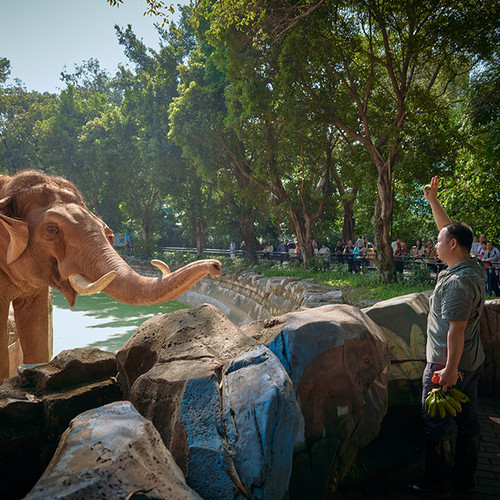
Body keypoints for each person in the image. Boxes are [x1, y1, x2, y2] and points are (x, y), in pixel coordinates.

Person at [409, 176, 487, 497]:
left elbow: (457, 329)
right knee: (469, 420)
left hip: (447, 366)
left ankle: (435, 483)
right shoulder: (474, 266)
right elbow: (452, 231)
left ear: (452, 245)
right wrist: (433, 201)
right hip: (473, 362)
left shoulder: (456, 284)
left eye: (439, 241)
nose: (435, 244)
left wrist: (449, 370)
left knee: (436, 424)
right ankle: (464, 478)